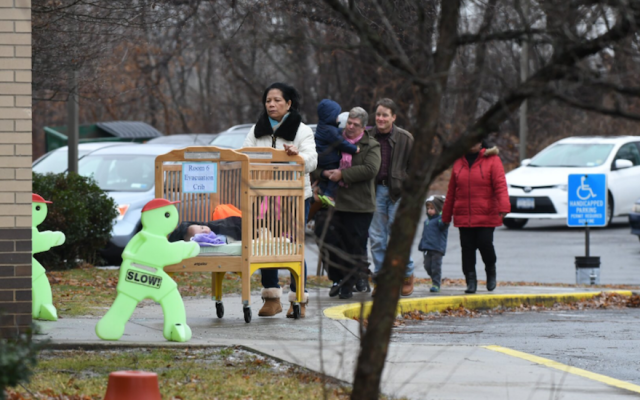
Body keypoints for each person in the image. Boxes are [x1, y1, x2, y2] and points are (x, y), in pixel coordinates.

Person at [242, 82, 317, 318]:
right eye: (268, 101)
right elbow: (244, 155)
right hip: (263, 196)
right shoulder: (257, 130)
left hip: (295, 197)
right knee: (265, 245)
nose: (271, 104)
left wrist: (298, 156)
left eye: (277, 100)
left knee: (294, 246)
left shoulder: (302, 130)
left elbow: (313, 160)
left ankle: (299, 299)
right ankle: (271, 298)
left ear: (289, 104)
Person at [314, 107, 381, 299]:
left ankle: (348, 283)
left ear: (363, 127)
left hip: (359, 204)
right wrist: (325, 174)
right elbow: (316, 164)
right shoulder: (335, 139)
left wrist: (343, 174)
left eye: (355, 125)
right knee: (325, 236)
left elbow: (370, 169)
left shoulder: (371, 145)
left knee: (354, 245)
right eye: (349, 123)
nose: (350, 127)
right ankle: (337, 277)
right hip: (332, 201)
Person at [441, 141, 510, 294]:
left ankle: (490, 270)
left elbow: (500, 185)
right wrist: (446, 215)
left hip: (486, 213)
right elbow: (452, 191)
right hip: (463, 214)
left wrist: (504, 206)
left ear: (481, 143)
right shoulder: (459, 161)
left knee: (485, 243)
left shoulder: (492, 160)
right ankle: (470, 281)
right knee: (467, 248)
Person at [368, 98, 415, 297]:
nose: (380, 118)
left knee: (396, 235)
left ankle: (406, 274)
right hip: (374, 191)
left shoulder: (405, 138)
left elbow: (414, 168)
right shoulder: (368, 136)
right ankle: (381, 279)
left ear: (393, 117)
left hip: (398, 193)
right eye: (378, 114)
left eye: (385, 115)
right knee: (377, 237)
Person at [314, 99, 359, 206]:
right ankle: (329, 195)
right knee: (336, 171)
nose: (338, 118)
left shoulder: (323, 126)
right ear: (331, 116)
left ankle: (323, 193)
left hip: (321, 157)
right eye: (337, 115)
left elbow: (335, 133)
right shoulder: (330, 130)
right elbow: (341, 143)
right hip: (328, 158)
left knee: (327, 175)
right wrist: (354, 149)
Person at [418, 195, 449, 293]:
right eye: (428, 208)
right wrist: (421, 245)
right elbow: (424, 235)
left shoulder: (441, 220)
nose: (429, 210)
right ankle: (435, 279)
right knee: (427, 266)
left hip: (437, 248)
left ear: (438, 208)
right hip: (427, 248)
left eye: (432, 208)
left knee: (435, 267)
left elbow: (444, 224)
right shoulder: (427, 221)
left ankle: (436, 284)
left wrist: (444, 215)